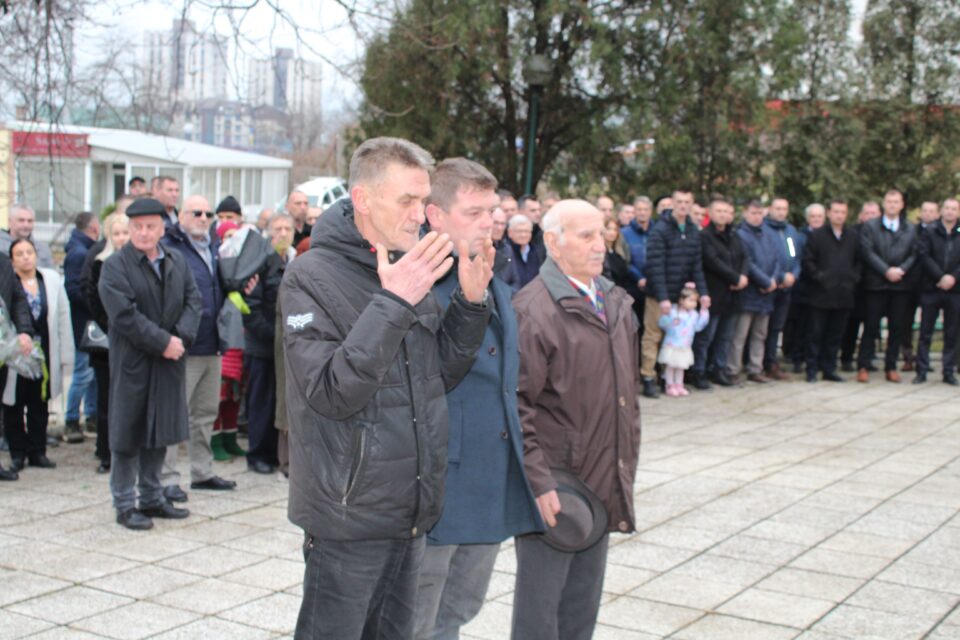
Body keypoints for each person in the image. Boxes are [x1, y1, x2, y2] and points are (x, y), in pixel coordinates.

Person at [280, 137, 493, 638]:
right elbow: (331, 392)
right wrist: (394, 301)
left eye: (424, 200)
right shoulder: (310, 275)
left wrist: (470, 304)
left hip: (409, 509)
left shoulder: (407, 264)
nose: (421, 214)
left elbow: (435, 378)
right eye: (407, 201)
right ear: (363, 199)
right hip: (348, 514)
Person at [414, 158, 543, 640]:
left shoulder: (493, 273)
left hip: (489, 475)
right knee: (417, 618)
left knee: (459, 609)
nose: (489, 222)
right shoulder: (416, 282)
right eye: (473, 212)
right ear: (435, 215)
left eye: (492, 211)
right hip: (441, 485)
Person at [512, 199, 640, 640]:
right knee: (540, 612)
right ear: (553, 242)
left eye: (602, 233)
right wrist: (538, 483)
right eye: (586, 236)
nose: (600, 244)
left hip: (602, 475)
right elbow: (516, 405)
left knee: (581, 607)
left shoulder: (613, 300)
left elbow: (624, 396)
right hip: (557, 485)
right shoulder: (534, 310)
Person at [98, 197, 202, 531]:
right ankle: (124, 503)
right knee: (127, 434)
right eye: (137, 227)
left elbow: (194, 301)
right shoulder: (115, 266)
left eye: (150, 226)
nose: (143, 232)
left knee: (160, 431)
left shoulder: (176, 260)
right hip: (134, 362)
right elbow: (124, 316)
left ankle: (152, 497)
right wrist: (163, 343)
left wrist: (180, 338)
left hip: (170, 361)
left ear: (162, 229)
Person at [159, 195, 238, 500]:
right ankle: (165, 478)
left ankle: (202, 472)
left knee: (205, 413)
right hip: (184, 345)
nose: (204, 218)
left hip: (213, 342)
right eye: (196, 213)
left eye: (208, 213)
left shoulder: (215, 246)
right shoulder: (170, 246)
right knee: (174, 414)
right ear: (181, 216)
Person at [3, 239, 73, 471]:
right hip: (15, 354)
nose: (25, 257)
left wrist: (66, 355)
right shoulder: (8, 281)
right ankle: (17, 453)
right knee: (14, 405)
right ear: (12, 260)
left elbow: (63, 317)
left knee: (39, 404)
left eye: (29, 252)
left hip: (44, 354)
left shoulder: (50, 280)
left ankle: (38, 451)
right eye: (19, 254)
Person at [640, 189, 710, 398]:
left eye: (687, 202)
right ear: (673, 203)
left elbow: (696, 265)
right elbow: (655, 265)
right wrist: (663, 298)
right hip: (659, 295)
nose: (683, 206)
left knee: (673, 338)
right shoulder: (660, 229)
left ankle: (668, 379)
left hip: (680, 296)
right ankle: (648, 376)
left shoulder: (693, 230)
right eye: (679, 201)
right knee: (653, 336)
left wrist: (703, 293)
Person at [80, 212, 129, 474]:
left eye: (125, 233)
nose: (121, 238)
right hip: (107, 343)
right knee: (107, 400)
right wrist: (113, 328)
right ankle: (106, 451)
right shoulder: (100, 263)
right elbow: (93, 299)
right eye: (116, 233)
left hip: (133, 342)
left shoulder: (139, 263)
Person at [857, 189, 918, 383]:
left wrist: (901, 270)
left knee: (896, 328)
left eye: (896, 202)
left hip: (900, 285)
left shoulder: (910, 229)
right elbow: (867, 252)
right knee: (871, 326)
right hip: (876, 285)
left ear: (902, 205)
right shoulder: (870, 226)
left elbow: (914, 253)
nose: (892, 205)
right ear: (884, 204)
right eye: (889, 201)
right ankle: (863, 365)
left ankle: (891, 367)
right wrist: (886, 271)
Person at [242, 213, 286, 475]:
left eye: (287, 228)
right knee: (261, 402)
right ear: (269, 232)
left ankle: (275, 453)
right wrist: (274, 334)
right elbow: (251, 307)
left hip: (283, 347)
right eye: (278, 229)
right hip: (262, 346)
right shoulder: (261, 262)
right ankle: (258, 454)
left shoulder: (292, 260)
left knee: (278, 403)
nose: (283, 233)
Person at [692, 197, 748, 389]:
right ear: (710, 213)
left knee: (725, 336)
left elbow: (745, 257)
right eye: (719, 211)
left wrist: (743, 277)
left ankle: (719, 369)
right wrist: (735, 278)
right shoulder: (704, 236)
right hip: (714, 293)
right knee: (706, 337)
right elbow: (712, 261)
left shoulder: (734, 235)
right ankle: (699, 371)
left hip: (733, 295)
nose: (723, 215)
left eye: (726, 211)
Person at [803, 199, 860, 382]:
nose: (839, 215)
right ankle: (812, 369)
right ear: (829, 213)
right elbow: (807, 261)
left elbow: (859, 261)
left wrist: (852, 279)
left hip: (844, 293)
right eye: (836, 212)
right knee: (815, 333)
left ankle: (829, 368)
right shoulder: (816, 235)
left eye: (842, 212)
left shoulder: (852, 236)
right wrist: (820, 277)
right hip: (820, 294)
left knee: (835, 335)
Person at [728, 200, 782, 384]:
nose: (757, 217)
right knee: (740, 335)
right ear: (745, 213)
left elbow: (778, 258)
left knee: (760, 334)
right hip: (749, 292)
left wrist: (774, 280)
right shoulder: (740, 234)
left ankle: (755, 368)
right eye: (753, 213)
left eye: (759, 213)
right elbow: (747, 262)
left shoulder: (769, 234)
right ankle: (733, 369)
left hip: (768, 293)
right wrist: (765, 281)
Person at [62, 212, 101, 443]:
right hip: (84, 324)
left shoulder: (83, 249)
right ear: (95, 228)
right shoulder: (79, 253)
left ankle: (91, 415)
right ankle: (71, 419)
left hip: (89, 324)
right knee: (82, 373)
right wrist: (96, 303)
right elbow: (74, 290)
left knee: (92, 373)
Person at [914, 198, 960, 385]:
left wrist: (953, 278)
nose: (950, 211)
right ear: (941, 210)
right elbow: (924, 256)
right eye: (947, 208)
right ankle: (921, 371)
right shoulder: (930, 231)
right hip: (932, 289)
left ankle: (948, 371)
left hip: (955, 290)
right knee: (925, 332)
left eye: (954, 209)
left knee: (951, 333)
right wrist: (940, 277)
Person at [762, 198, 803, 380]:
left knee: (776, 327)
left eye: (784, 209)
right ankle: (759, 362)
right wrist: (780, 276)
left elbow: (794, 256)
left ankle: (772, 361)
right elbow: (766, 258)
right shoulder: (763, 229)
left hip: (786, 287)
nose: (780, 212)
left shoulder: (790, 231)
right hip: (770, 285)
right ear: (770, 209)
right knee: (763, 328)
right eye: (777, 208)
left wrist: (794, 274)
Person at [841, 200, 882, 371]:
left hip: (876, 285)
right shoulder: (852, 233)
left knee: (872, 325)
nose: (870, 217)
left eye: (874, 213)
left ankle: (866, 359)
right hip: (855, 287)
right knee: (851, 325)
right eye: (867, 213)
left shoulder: (882, 232)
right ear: (861, 215)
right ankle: (847, 358)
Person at [785, 203, 826, 373]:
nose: (816, 219)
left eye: (819, 216)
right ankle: (797, 357)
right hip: (802, 287)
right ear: (807, 218)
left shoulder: (828, 237)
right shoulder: (796, 237)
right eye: (813, 216)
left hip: (822, 289)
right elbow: (792, 257)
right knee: (800, 327)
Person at [658, 286, 709, 397]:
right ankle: (669, 385)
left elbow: (698, 327)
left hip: (685, 345)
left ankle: (679, 385)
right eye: (691, 300)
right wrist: (666, 316)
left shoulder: (694, 315)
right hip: (672, 345)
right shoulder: (672, 312)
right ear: (681, 300)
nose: (693, 303)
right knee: (671, 366)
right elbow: (663, 324)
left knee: (681, 367)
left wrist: (704, 312)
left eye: (695, 301)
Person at [0, 203, 54, 268]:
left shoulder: (43, 249)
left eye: (30, 221)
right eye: (21, 220)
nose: (26, 225)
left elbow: (49, 272)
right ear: (10, 222)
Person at [506, 214, 541, 289]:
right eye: (519, 231)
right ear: (510, 233)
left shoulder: (536, 252)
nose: (523, 235)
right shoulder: (505, 253)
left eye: (526, 231)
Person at [602, 217, 635, 293]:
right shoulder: (600, 253)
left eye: (615, 229)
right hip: (608, 293)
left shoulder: (619, 252)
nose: (612, 232)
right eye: (609, 229)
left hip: (623, 292)